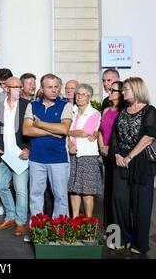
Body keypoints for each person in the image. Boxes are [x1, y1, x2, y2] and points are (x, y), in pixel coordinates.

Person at [110, 77, 156, 255]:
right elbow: (114, 136)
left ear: (136, 90)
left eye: (126, 89)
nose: (122, 92)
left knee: (141, 206)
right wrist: (116, 153)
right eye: (122, 90)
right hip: (120, 162)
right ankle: (117, 239)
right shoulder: (123, 111)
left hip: (141, 163)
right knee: (118, 201)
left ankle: (140, 244)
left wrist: (129, 156)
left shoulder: (149, 110)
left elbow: (148, 137)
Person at [23, 74, 73, 218]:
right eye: (49, 87)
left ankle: (60, 230)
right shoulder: (32, 105)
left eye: (56, 87)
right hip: (36, 158)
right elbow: (27, 130)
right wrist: (52, 131)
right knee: (35, 195)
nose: (54, 90)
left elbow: (64, 129)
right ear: (42, 89)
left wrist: (38, 123)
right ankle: (37, 229)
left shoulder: (66, 105)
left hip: (58, 159)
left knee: (61, 196)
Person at [0, 77, 30, 237]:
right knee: (1, 185)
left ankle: (20, 222)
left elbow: (32, 130)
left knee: (20, 191)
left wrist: (28, 149)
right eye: (15, 87)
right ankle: (11, 216)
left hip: (20, 155)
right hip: (4, 155)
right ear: (6, 88)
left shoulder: (27, 106)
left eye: (20, 86)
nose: (19, 89)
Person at [67, 84, 102, 217]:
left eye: (83, 94)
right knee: (73, 189)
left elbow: (84, 132)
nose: (79, 97)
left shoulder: (94, 113)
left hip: (87, 156)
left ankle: (88, 222)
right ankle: (75, 220)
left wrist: (67, 132)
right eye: (77, 94)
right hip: (72, 155)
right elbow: (72, 134)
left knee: (87, 191)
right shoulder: (71, 111)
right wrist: (70, 143)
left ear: (89, 97)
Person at [98, 80, 125, 229]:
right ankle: (109, 229)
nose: (109, 91)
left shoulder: (124, 112)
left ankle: (119, 229)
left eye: (113, 90)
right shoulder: (106, 110)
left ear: (121, 94)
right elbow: (101, 131)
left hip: (117, 154)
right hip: (106, 154)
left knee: (117, 194)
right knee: (107, 192)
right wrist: (102, 146)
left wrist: (112, 149)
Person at [0, 68, 13, 216]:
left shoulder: (20, 95)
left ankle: (18, 210)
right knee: (1, 182)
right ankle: (4, 205)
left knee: (19, 184)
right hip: (2, 144)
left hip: (17, 145)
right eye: (1, 84)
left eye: (6, 84)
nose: (4, 88)